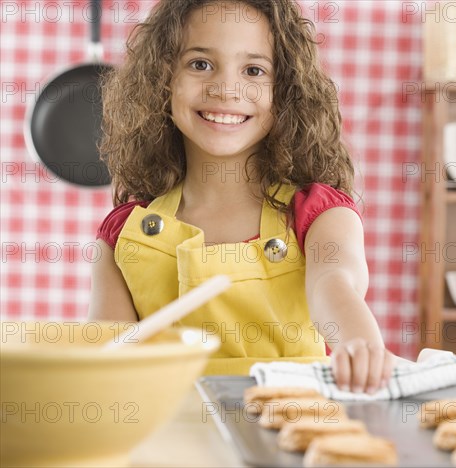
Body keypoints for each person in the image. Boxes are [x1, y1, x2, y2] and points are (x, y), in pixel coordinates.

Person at [89, 0, 396, 394]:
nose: (226, 89)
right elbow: (106, 362)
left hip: (288, 432)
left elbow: (333, 284)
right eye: (200, 64)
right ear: (162, 79)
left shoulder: (317, 215)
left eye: (254, 70)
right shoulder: (124, 236)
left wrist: (358, 342)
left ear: (284, 90)